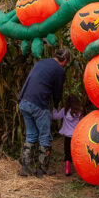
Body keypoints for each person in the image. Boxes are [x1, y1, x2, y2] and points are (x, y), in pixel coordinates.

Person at [18, 48, 70, 177]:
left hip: (24, 101)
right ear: (65, 60)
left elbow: (29, 80)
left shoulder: (41, 62)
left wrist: (21, 99)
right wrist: (56, 104)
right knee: (45, 136)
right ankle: (43, 169)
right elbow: (57, 92)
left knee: (31, 135)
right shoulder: (59, 70)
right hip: (39, 104)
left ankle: (25, 168)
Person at [52, 95, 84, 176]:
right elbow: (82, 122)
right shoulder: (79, 112)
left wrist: (54, 108)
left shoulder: (64, 110)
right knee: (76, 152)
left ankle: (67, 169)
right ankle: (79, 169)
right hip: (76, 136)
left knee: (67, 152)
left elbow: (55, 116)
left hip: (67, 136)